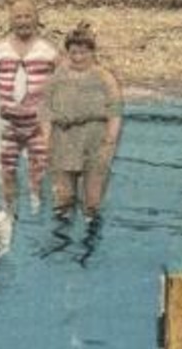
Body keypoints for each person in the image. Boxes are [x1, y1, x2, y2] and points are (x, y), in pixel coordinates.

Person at [41, 25, 123, 244]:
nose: (78, 57)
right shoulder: (57, 77)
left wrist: (109, 141)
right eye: (73, 52)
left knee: (92, 201)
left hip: (94, 139)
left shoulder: (105, 78)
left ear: (92, 52)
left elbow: (115, 111)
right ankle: (61, 241)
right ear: (67, 52)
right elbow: (46, 111)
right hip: (64, 138)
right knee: (63, 198)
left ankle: (90, 243)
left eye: (83, 52)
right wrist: (45, 140)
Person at [0, 0, 58, 215]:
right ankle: (9, 213)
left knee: (39, 171)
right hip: (7, 123)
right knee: (7, 170)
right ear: (10, 20)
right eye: (18, 17)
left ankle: (37, 211)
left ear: (37, 19)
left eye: (28, 16)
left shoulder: (48, 50)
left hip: (38, 124)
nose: (23, 21)